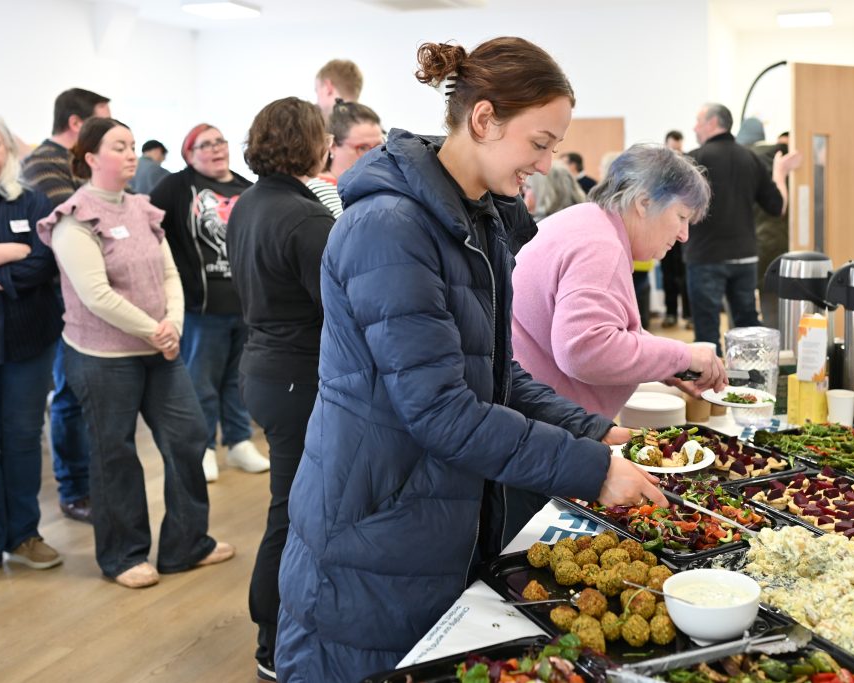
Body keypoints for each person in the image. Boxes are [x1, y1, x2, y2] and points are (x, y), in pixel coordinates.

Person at [275, 37, 668, 681]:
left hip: (431, 520)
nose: (546, 164)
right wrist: (592, 470)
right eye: (539, 142)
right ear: (483, 120)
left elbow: (494, 374)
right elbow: (441, 410)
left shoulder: (475, 220)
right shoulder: (390, 228)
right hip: (372, 529)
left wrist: (596, 430)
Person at [37, 117, 234, 589]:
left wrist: (174, 327)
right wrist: (157, 331)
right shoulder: (73, 218)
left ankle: (188, 543)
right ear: (90, 159)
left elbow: (170, 275)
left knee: (187, 437)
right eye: (119, 147)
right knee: (115, 455)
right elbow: (95, 295)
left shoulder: (142, 208)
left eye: (131, 145)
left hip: (159, 350)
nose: (130, 154)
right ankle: (123, 556)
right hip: (103, 357)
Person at [226, 96, 335, 683]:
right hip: (296, 373)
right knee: (292, 511)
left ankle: (277, 628)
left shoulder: (250, 203)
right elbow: (342, 306)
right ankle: (272, 637)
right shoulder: (305, 217)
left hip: (265, 368)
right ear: (311, 143)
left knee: (290, 505)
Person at [512, 144, 725, 421]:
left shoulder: (589, 222)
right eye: (681, 217)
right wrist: (682, 356)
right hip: (536, 426)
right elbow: (583, 350)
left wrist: (669, 366)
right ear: (644, 203)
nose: (684, 234)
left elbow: (605, 327)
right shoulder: (602, 247)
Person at [0, 108, 64, 587]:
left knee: (24, 438)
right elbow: (24, 260)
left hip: (28, 338)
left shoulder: (30, 201)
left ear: (8, 149)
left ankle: (24, 534)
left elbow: (44, 263)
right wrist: (9, 254)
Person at [149, 124, 268, 483]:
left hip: (244, 306)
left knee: (237, 380)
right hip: (200, 309)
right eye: (205, 145)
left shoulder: (247, 188)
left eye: (220, 142)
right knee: (200, 383)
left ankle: (239, 441)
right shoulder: (175, 186)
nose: (216, 149)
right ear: (189, 154)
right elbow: (150, 227)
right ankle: (203, 448)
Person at [21, 87, 111, 525]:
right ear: (77, 125)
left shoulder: (73, 163)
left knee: (82, 394)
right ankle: (74, 488)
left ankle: (88, 485)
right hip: (61, 297)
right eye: (102, 123)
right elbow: (78, 220)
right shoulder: (43, 164)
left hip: (82, 292)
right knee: (70, 395)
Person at [685, 103, 801, 354]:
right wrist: (780, 174)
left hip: (706, 256)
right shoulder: (751, 159)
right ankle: (754, 381)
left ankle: (709, 386)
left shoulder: (695, 159)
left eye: (698, 120)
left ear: (713, 123)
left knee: (706, 329)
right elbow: (777, 206)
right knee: (747, 323)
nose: (694, 127)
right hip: (745, 256)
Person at [307, 100, 385, 218]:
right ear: (332, 146)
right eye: (362, 147)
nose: (374, 155)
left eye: (379, 147)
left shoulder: (378, 185)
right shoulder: (318, 189)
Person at [755, 132, 791, 329]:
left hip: (758, 246)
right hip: (779, 247)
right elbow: (781, 208)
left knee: (764, 304)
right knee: (776, 308)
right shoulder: (787, 171)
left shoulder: (756, 165)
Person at [660, 130, 689, 328]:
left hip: (684, 233)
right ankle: (670, 313)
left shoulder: (689, 170)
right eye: (673, 150)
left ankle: (688, 315)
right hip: (663, 231)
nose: (677, 154)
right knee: (668, 275)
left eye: (679, 150)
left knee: (686, 275)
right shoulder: (659, 170)